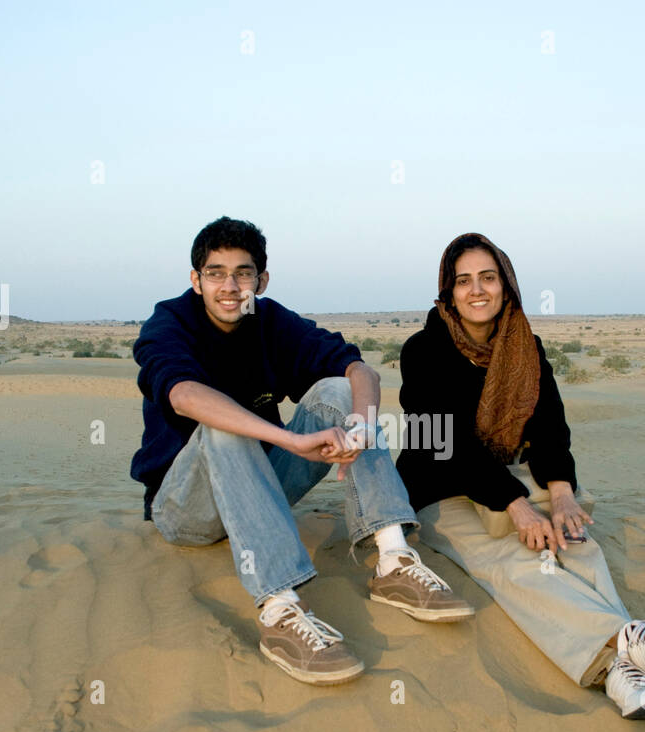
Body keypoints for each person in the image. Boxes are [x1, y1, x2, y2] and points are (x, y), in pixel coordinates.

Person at [131, 217, 473, 686]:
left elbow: (360, 372)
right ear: (196, 280)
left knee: (339, 391)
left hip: (257, 490)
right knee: (223, 425)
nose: (229, 286)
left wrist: (361, 428)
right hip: (186, 509)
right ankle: (280, 613)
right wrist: (291, 440)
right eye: (215, 273)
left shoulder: (270, 321)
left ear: (261, 279)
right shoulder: (170, 322)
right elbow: (184, 395)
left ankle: (393, 559)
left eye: (243, 273)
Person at [396, 233, 645, 719]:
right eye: (464, 281)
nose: (477, 290)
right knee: (510, 560)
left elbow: (550, 425)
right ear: (447, 292)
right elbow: (445, 440)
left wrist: (561, 494)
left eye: (488, 278)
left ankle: (626, 673)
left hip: (510, 475)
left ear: (507, 285)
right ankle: (630, 645)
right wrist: (515, 504)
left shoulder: (525, 346)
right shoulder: (423, 351)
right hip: (440, 487)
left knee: (576, 540)